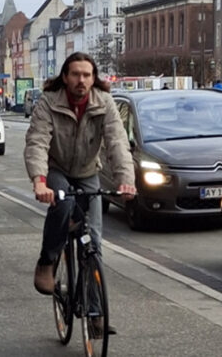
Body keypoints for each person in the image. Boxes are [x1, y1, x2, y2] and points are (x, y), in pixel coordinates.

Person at [24, 52, 136, 311]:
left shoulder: (104, 102)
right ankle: (47, 261)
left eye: (87, 75)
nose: (81, 80)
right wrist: (40, 182)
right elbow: (37, 143)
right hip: (57, 169)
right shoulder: (49, 103)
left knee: (94, 243)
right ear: (65, 77)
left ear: (94, 78)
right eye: (75, 74)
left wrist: (125, 181)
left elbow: (117, 142)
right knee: (62, 204)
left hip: (87, 172)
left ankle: (94, 310)